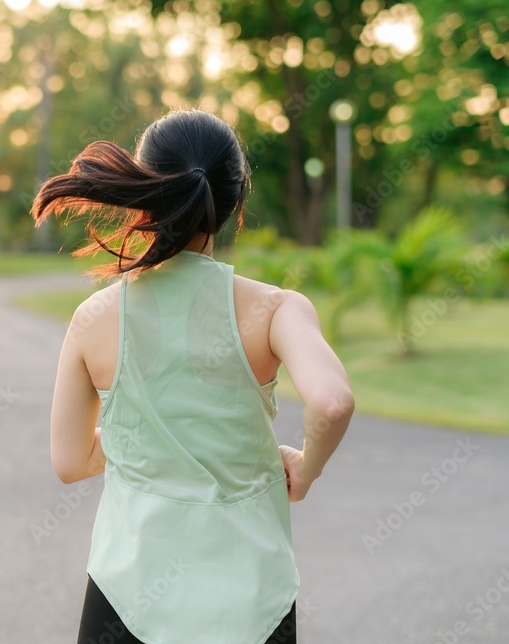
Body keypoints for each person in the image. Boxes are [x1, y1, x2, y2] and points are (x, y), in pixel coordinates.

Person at [31, 109, 354, 644]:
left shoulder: (94, 319)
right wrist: (307, 468)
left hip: (126, 599)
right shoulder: (276, 310)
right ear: (236, 202)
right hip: (253, 603)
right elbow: (333, 403)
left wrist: (155, 435)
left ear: (145, 190)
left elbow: (70, 462)